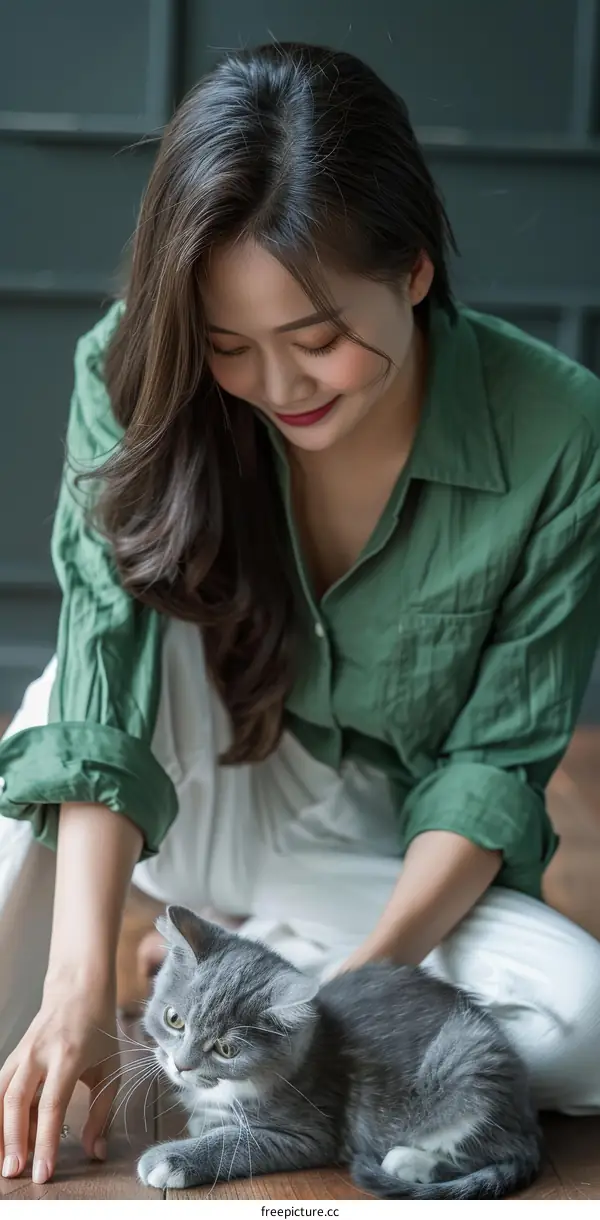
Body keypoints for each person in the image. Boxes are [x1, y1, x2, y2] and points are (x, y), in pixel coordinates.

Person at [1, 40, 600, 1189]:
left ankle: (249, 960)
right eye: (229, 347)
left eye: (317, 337)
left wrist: (340, 1011)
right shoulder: (130, 369)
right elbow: (101, 683)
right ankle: (144, 956)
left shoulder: (560, 429)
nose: (279, 387)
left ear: (415, 270)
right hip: (196, 771)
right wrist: (75, 985)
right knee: (61, 701)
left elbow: (493, 762)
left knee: (577, 1022)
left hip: (379, 847)